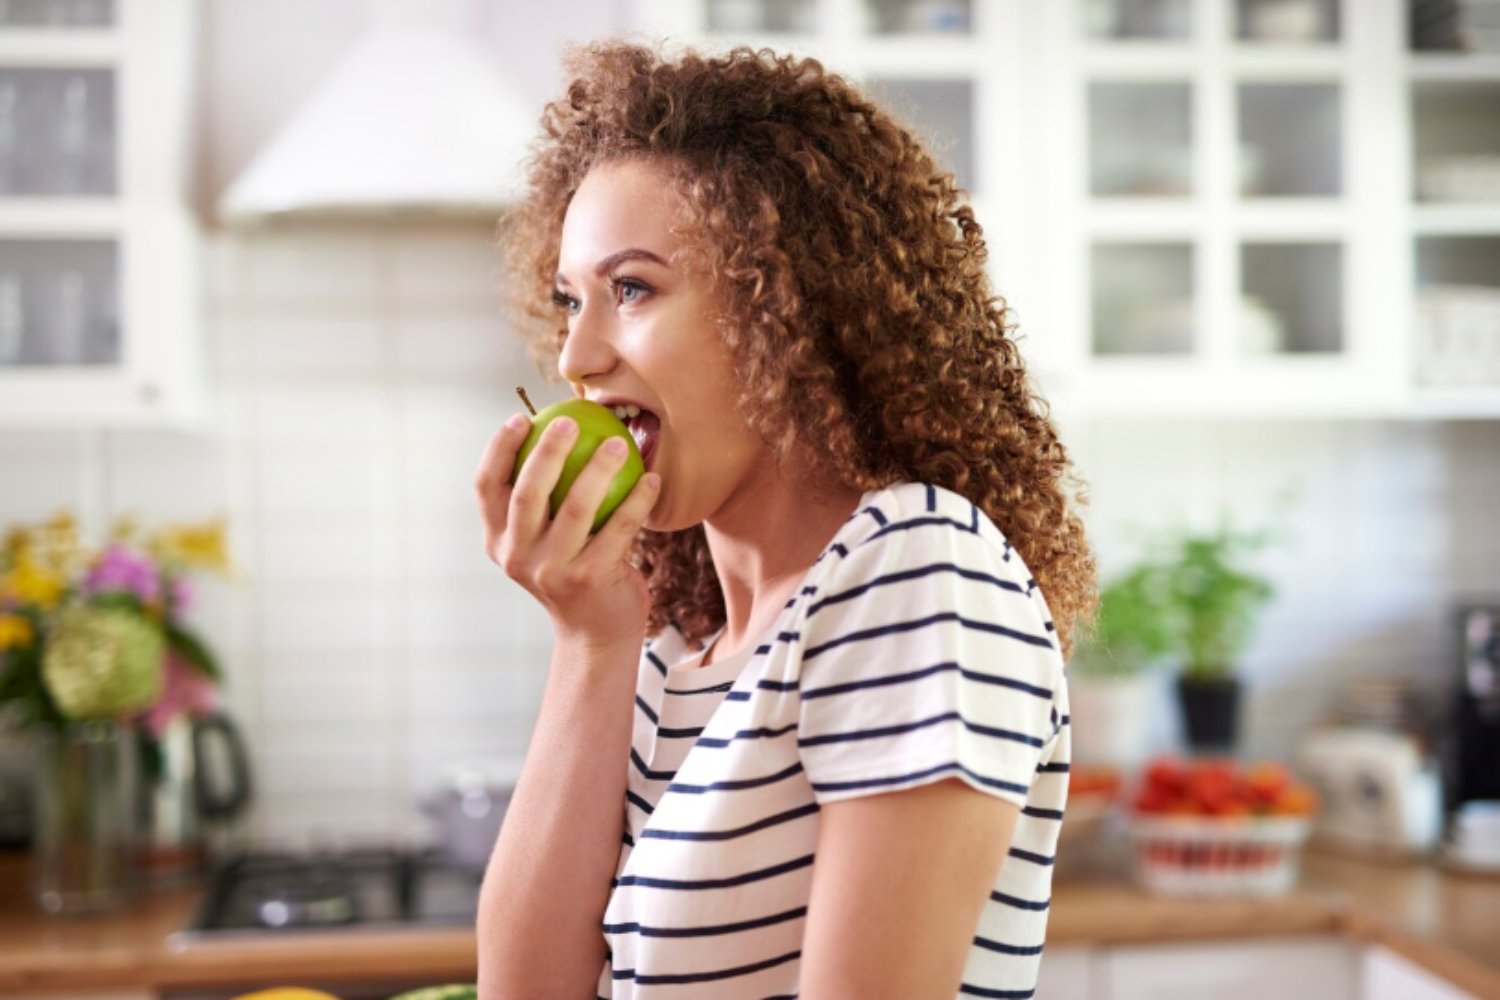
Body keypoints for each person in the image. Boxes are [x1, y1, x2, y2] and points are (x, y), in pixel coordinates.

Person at [473, 40, 1097, 1000]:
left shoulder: (919, 574)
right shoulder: (677, 654)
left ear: (786, 308)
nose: (576, 357)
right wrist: (588, 640)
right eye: (568, 301)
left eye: (630, 289)